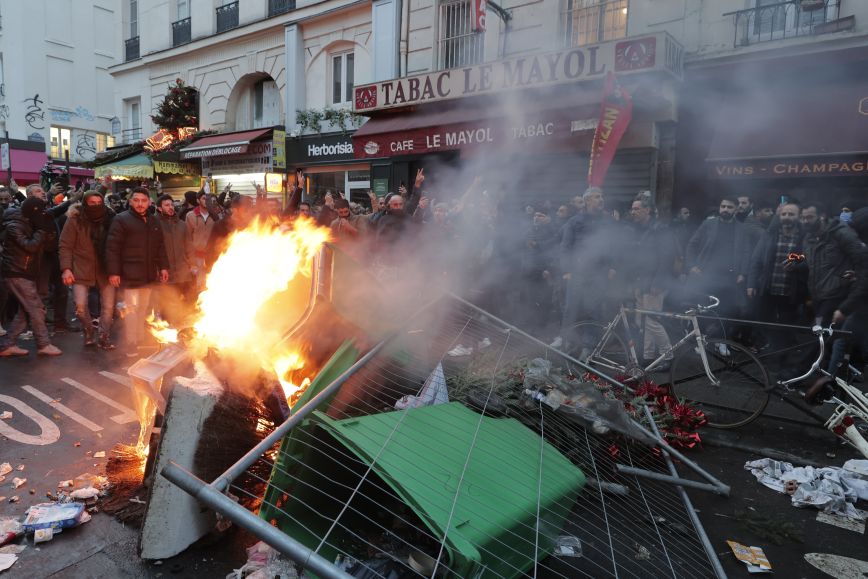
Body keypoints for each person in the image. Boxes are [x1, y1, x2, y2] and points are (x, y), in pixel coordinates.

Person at [105, 188, 169, 357]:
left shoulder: (154, 221)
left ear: (149, 202)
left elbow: (160, 247)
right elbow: (112, 248)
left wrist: (163, 267)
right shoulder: (121, 219)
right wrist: (114, 272)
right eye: (136, 200)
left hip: (148, 275)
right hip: (129, 274)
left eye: (143, 200)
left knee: (143, 309)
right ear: (131, 201)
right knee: (131, 311)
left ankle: (140, 338)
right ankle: (131, 342)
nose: (140, 204)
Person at [0, 197, 62, 356]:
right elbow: (31, 246)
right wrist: (41, 230)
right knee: (36, 309)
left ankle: (8, 344)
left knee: (26, 311)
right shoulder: (15, 226)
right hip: (17, 272)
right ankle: (43, 344)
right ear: (33, 212)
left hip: (24, 272)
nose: (43, 214)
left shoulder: (27, 221)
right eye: (40, 212)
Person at [626, 193, 678, 369]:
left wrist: (658, 282)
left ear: (647, 210)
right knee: (644, 321)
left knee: (653, 321)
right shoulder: (637, 229)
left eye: (637, 209)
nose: (633, 212)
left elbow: (666, 258)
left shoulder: (660, 229)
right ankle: (648, 356)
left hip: (654, 283)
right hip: (641, 282)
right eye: (632, 209)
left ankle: (668, 355)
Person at [58, 191, 116, 349]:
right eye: (92, 202)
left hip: (105, 269)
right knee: (81, 307)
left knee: (108, 307)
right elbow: (65, 245)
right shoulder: (75, 219)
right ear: (85, 203)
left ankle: (104, 337)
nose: (97, 206)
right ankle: (89, 331)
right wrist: (66, 268)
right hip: (81, 268)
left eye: (99, 202)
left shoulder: (110, 218)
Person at [746, 202, 807, 349]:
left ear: (798, 217)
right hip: (769, 287)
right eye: (784, 214)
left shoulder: (804, 238)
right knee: (764, 319)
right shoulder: (770, 235)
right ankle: (770, 347)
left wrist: (798, 265)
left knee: (788, 324)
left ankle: (783, 352)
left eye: (791, 214)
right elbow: (756, 260)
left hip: (792, 290)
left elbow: (811, 261)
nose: (787, 217)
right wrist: (751, 283)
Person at [685, 196, 752, 323]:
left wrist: (743, 273)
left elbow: (746, 252)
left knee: (726, 311)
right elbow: (692, 244)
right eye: (723, 206)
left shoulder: (742, 228)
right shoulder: (708, 224)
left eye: (729, 207)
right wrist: (691, 265)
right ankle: (701, 339)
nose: (725, 209)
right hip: (706, 274)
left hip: (729, 276)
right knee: (703, 309)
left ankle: (719, 341)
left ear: (736, 210)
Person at [801, 206, 864, 326]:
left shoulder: (841, 233)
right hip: (817, 294)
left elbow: (861, 259)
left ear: (822, 216)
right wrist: (795, 266)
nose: (805, 221)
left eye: (809, 217)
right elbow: (810, 263)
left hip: (837, 293)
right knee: (824, 333)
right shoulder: (808, 238)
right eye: (803, 218)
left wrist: (855, 275)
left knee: (819, 330)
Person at [155, 194, 194, 325]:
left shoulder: (182, 224)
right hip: (165, 272)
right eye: (166, 205)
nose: (170, 207)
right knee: (167, 304)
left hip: (183, 272)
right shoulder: (154, 224)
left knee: (186, 303)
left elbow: (189, 246)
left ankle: (184, 330)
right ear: (159, 208)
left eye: (171, 204)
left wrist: (192, 265)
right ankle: (168, 334)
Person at [185, 191, 215, 292]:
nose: (207, 201)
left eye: (208, 199)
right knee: (198, 286)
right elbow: (187, 239)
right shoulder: (191, 216)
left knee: (212, 284)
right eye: (204, 198)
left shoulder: (215, 216)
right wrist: (191, 262)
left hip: (212, 257)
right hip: (197, 257)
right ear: (198, 200)